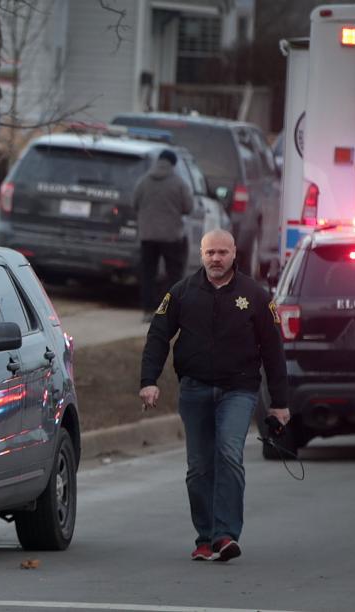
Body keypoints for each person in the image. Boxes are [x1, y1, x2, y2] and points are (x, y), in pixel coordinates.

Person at [139, 229, 290, 563]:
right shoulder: (181, 292)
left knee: (228, 454)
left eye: (222, 252)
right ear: (201, 255)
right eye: (210, 253)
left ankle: (225, 535)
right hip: (194, 390)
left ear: (234, 253)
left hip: (239, 390)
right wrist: (149, 381)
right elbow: (158, 336)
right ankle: (205, 538)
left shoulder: (255, 295)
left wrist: (279, 403)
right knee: (199, 467)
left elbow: (273, 351)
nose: (216, 259)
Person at [131, 149, 194, 323]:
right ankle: (169, 311)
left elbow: (134, 203)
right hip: (172, 236)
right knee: (173, 275)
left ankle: (147, 310)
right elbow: (188, 207)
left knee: (148, 273)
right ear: (173, 164)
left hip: (147, 235)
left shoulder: (144, 181)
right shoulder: (179, 183)